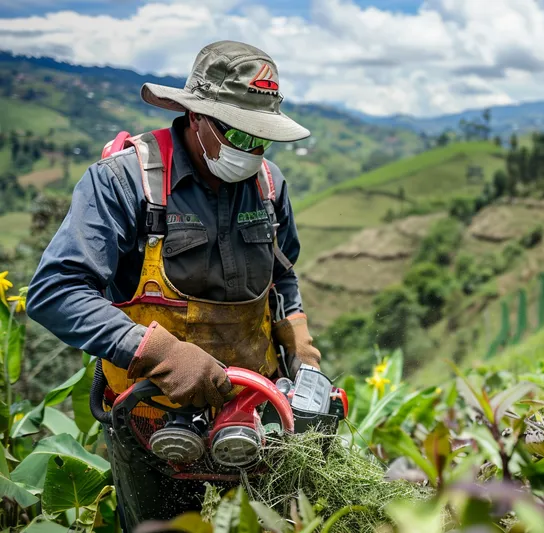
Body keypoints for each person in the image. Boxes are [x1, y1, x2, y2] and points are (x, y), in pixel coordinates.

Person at [26, 40, 322, 529]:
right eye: (237, 134)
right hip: (151, 418)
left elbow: (283, 277)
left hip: (254, 415)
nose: (250, 150)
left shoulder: (269, 186)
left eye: (260, 138)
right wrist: (160, 353)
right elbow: (57, 290)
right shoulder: (124, 182)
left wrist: (301, 345)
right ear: (197, 118)